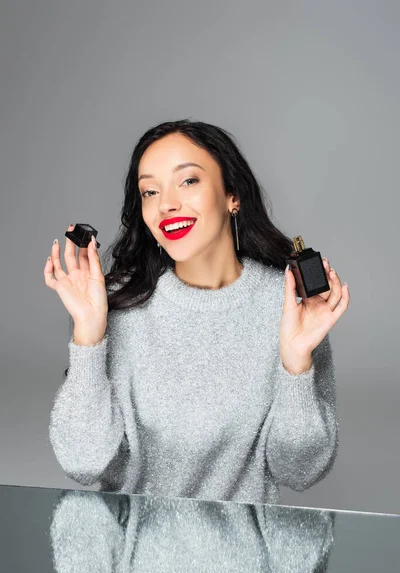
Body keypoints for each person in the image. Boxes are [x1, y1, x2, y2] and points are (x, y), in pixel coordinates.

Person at [44, 118, 350, 504]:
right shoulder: (117, 306)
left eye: (188, 181)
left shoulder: (289, 303)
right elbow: (83, 463)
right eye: (150, 191)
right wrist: (87, 335)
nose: (166, 204)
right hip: (131, 558)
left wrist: (296, 365)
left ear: (232, 196)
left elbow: (300, 471)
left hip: (245, 559)